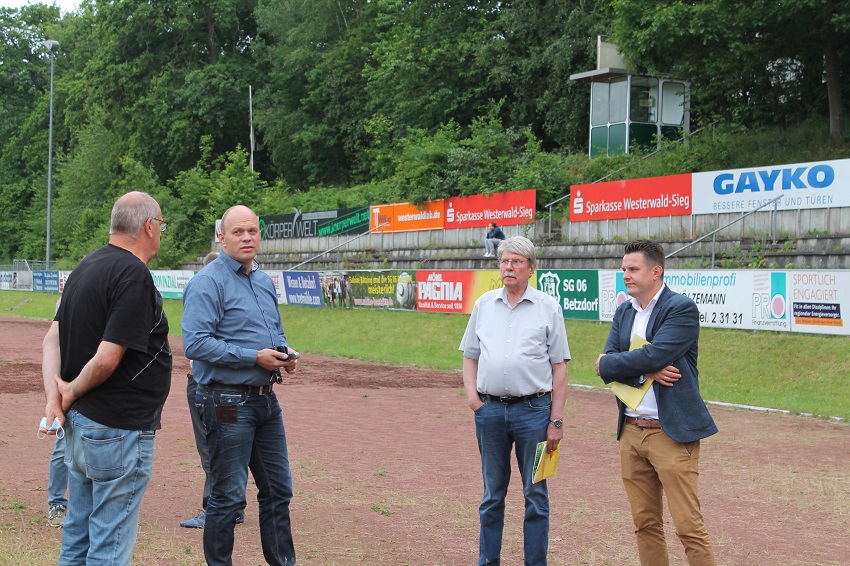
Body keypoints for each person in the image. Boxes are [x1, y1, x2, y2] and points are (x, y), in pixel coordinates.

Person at [40, 191, 172, 564]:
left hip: (83, 426)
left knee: (78, 535)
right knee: (109, 545)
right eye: (161, 225)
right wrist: (69, 390)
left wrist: (56, 398)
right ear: (149, 226)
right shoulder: (133, 275)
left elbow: (51, 339)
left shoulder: (85, 266)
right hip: (116, 427)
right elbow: (106, 359)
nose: (161, 232)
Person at [182, 205, 298, 566]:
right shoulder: (207, 282)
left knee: (279, 490)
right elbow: (195, 344)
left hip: (266, 400)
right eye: (238, 232)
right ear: (222, 237)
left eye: (252, 231)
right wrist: (253, 357)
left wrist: (284, 353)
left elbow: (273, 332)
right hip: (226, 400)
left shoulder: (262, 280)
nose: (247, 238)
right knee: (228, 496)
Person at [595, 240, 718, 566]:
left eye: (633, 269)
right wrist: (645, 368)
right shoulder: (624, 311)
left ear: (656, 271)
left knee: (688, 527)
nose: (626, 275)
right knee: (645, 524)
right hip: (631, 431)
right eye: (623, 269)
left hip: (672, 434)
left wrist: (625, 363)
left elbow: (656, 353)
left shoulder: (680, 308)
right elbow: (604, 365)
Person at [459, 236, 570, 566]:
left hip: (535, 413)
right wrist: (474, 400)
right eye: (504, 261)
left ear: (531, 269)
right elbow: (470, 356)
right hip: (490, 412)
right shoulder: (483, 305)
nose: (508, 267)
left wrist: (556, 420)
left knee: (535, 494)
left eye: (516, 262)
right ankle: (487, 561)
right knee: (492, 494)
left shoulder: (548, 308)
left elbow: (559, 367)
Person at [180, 252, 246, 529]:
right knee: (226, 445)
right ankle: (233, 505)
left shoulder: (207, 291)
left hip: (211, 385)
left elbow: (198, 344)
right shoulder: (235, 298)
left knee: (213, 445)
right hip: (224, 384)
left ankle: (219, 507)